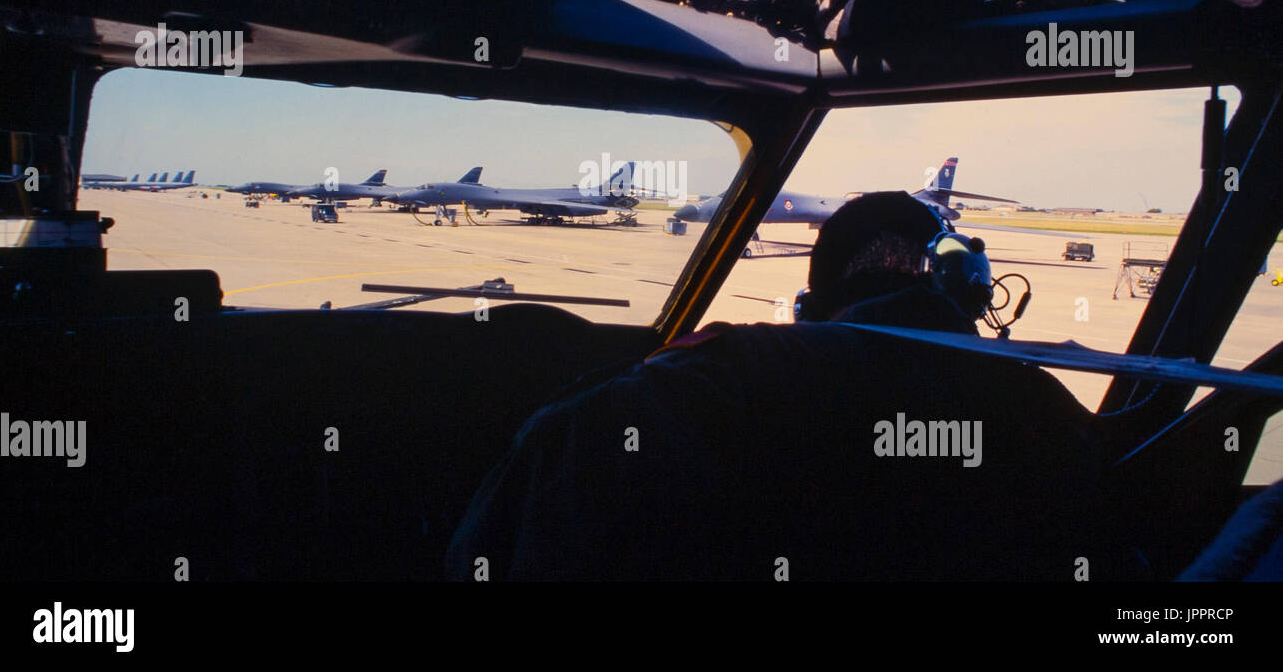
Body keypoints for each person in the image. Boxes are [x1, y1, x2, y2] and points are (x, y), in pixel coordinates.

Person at [446, 192, 1118, 581]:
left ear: (812, 300)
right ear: (964, 283)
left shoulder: (719, 373)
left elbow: (497, 535)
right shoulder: (1042, 407)